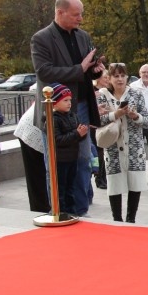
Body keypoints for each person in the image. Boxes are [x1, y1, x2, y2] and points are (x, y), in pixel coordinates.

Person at [31, 0, 105, 218]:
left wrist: (95, 69)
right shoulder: (41, 38)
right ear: (60, 12)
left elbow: (86, 68)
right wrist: (80, 69)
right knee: (54, 163)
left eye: (81, 14)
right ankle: (58, 210)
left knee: (83, 160)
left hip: (81, 106)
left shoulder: (83, 37)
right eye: (76, 14)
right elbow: (44, 72)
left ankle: (80, 211)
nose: (80, 19)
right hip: (55, 111)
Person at [98, 63, 148, 223]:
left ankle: (131, 219)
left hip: (134, 148)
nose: (120, 79)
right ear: (109, 78)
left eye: (123, 75)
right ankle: (117, 220)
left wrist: (135, 116)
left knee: (135, 183)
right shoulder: (102, 95)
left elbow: (147, 121)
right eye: (116, 76)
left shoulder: (136, 94)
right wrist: (116, 114)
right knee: (114, 184)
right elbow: (97, 120)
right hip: (113, 147)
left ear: (127, 77)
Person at [49, 83, 88, 216]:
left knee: (71, 187)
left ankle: (71, 211)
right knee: (61, 187)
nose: (69, 103)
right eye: (65, 100)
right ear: (54, 103)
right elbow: (58, 140)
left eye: (70, 100)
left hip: (72, 157)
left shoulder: (73, 116)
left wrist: (83, 133)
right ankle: (61, 211)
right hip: (60, 160)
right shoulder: (53, 119)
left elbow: (78, 136)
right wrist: (77, 134)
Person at [13, 102, 50, 214]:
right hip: (32, 132)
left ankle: (43, 208)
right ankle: (40, 210)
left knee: (40, 176)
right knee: (37, 175)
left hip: (36, 127)